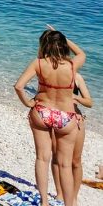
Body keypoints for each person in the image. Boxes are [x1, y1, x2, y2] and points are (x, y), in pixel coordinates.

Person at [14, 29, 86, 206]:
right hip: (66, 116)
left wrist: (28, 103)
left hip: (42, 111)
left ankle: (44, 202)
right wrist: (63, 37)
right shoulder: (71, 65)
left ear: (45, 45)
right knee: (65, 165)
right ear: (62, 45)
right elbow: (81, 53)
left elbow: (18, 86)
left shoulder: (38, 63)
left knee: (42, 158)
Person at [52, 73, 93, 204]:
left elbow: (89, 102)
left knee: (76, 161)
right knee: (57, 157)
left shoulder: (77, 77)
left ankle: (74, 197)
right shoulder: (50, 73)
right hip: (55, 118)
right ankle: (59, 194)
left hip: (75, 119)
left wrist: (76, 97)